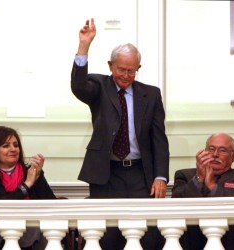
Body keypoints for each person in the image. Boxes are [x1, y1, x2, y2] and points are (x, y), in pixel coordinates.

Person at [71, 18, 170, 250]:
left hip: (140, 173)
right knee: (107, 236)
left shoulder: (151, 95)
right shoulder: (99, 86)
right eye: (121, 70)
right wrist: (83, 46)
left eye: (132, 71)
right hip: (106, 173)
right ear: (110, 65)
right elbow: (78, 86)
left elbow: (159, 140)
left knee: (145, 234)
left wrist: (161, 176)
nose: (126, 75)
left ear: (138, 69)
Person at [0, 126, 56, 250]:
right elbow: (1, 206)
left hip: (34, 234)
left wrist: (38, 177)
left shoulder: (30, 172)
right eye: (6, 146)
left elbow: (51, 203)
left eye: (16, 145)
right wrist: (27, 185)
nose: (13, 149)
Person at [172, 132, 234, 250]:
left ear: (233, 157)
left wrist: (212, 186)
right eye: (211, 149)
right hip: (191, 241)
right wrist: (199, 178)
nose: (215, 154)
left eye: (222, 150)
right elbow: (177, 202)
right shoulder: (184, 175)